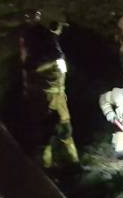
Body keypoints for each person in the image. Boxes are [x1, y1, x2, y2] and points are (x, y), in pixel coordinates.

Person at [18, 9, 80, 169]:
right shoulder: (38, 42)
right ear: (51, 24)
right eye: (59, 25)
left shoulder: (49, 40)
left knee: (64, 128)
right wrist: (54, 61)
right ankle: (46, 170)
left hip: (57, 93)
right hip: (45, 95)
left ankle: (72, 163)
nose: (61, 29)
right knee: (46, 133)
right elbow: (32, 67)